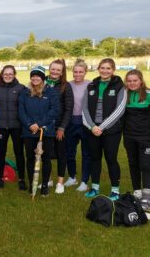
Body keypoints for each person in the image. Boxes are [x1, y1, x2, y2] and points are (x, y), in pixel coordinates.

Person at [83, 58, 126, 200]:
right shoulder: (91, 85)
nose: (105, 71)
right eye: (102, 68)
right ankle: (95, 187)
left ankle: (115, 190)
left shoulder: (120, 86)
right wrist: (92, 126)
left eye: (108, 68)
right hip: (93, 130)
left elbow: (119, 110)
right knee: (95, 159)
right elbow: (84, 108)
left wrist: (101, 127)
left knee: (111, 159)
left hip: (111, 131)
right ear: (98, 69)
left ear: (113, 70)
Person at [18, 66, 59, 196]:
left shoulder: (50, 91)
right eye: (33, 76)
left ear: (42, 78)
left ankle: (45, 185)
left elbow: (54, 110)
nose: (35, 78)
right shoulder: (25, 92)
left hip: (45, 131)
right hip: (28, 131)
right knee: (30, 157)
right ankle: (32, 184)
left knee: (46, 158)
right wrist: (30, 124)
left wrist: (39, 124)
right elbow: (21, 110)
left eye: (38, 76)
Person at [0, 65, 26, 190]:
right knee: (1, 152)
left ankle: (21, 179)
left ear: (14, 74)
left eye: (11, 74)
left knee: (19, 152)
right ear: (2, 74)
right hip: (0, 126)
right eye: (6, 74)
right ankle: (0, 178)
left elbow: (27, 105)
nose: (8, 76)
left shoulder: (21, 88)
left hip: (17, 126)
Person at [45, 59, 74, 194]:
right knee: (45, 154)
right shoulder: (42, 81)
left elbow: (69, 109)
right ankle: (48, 180)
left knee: (61, 154)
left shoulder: (65, 86)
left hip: (59, 127)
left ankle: (60, 182)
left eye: (58, 70)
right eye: (53, 69)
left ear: (62, 72)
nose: (55, 71)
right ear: (49, 69)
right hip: (44, 126)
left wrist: (62, 127)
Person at [122, 70, 150, 206]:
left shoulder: (148, 95)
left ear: (141, 81)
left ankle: (147, 195)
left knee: (145, 165)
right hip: (129, 136)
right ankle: (137, 191)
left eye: (135, 80)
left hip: (146, 137)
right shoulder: (124, 95)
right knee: (133, 163)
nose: (132, 83)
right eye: (129, 81)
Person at [64, 59, 91, 191]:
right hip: (70, 122)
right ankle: (72, 177)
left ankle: (84, 181)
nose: (78, 74)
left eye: (81, 72)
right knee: (70, 151)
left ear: (85, 72)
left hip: (86, 122)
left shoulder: (91, 85)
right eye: (75, 71)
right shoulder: (67, 85)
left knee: (86, 153)